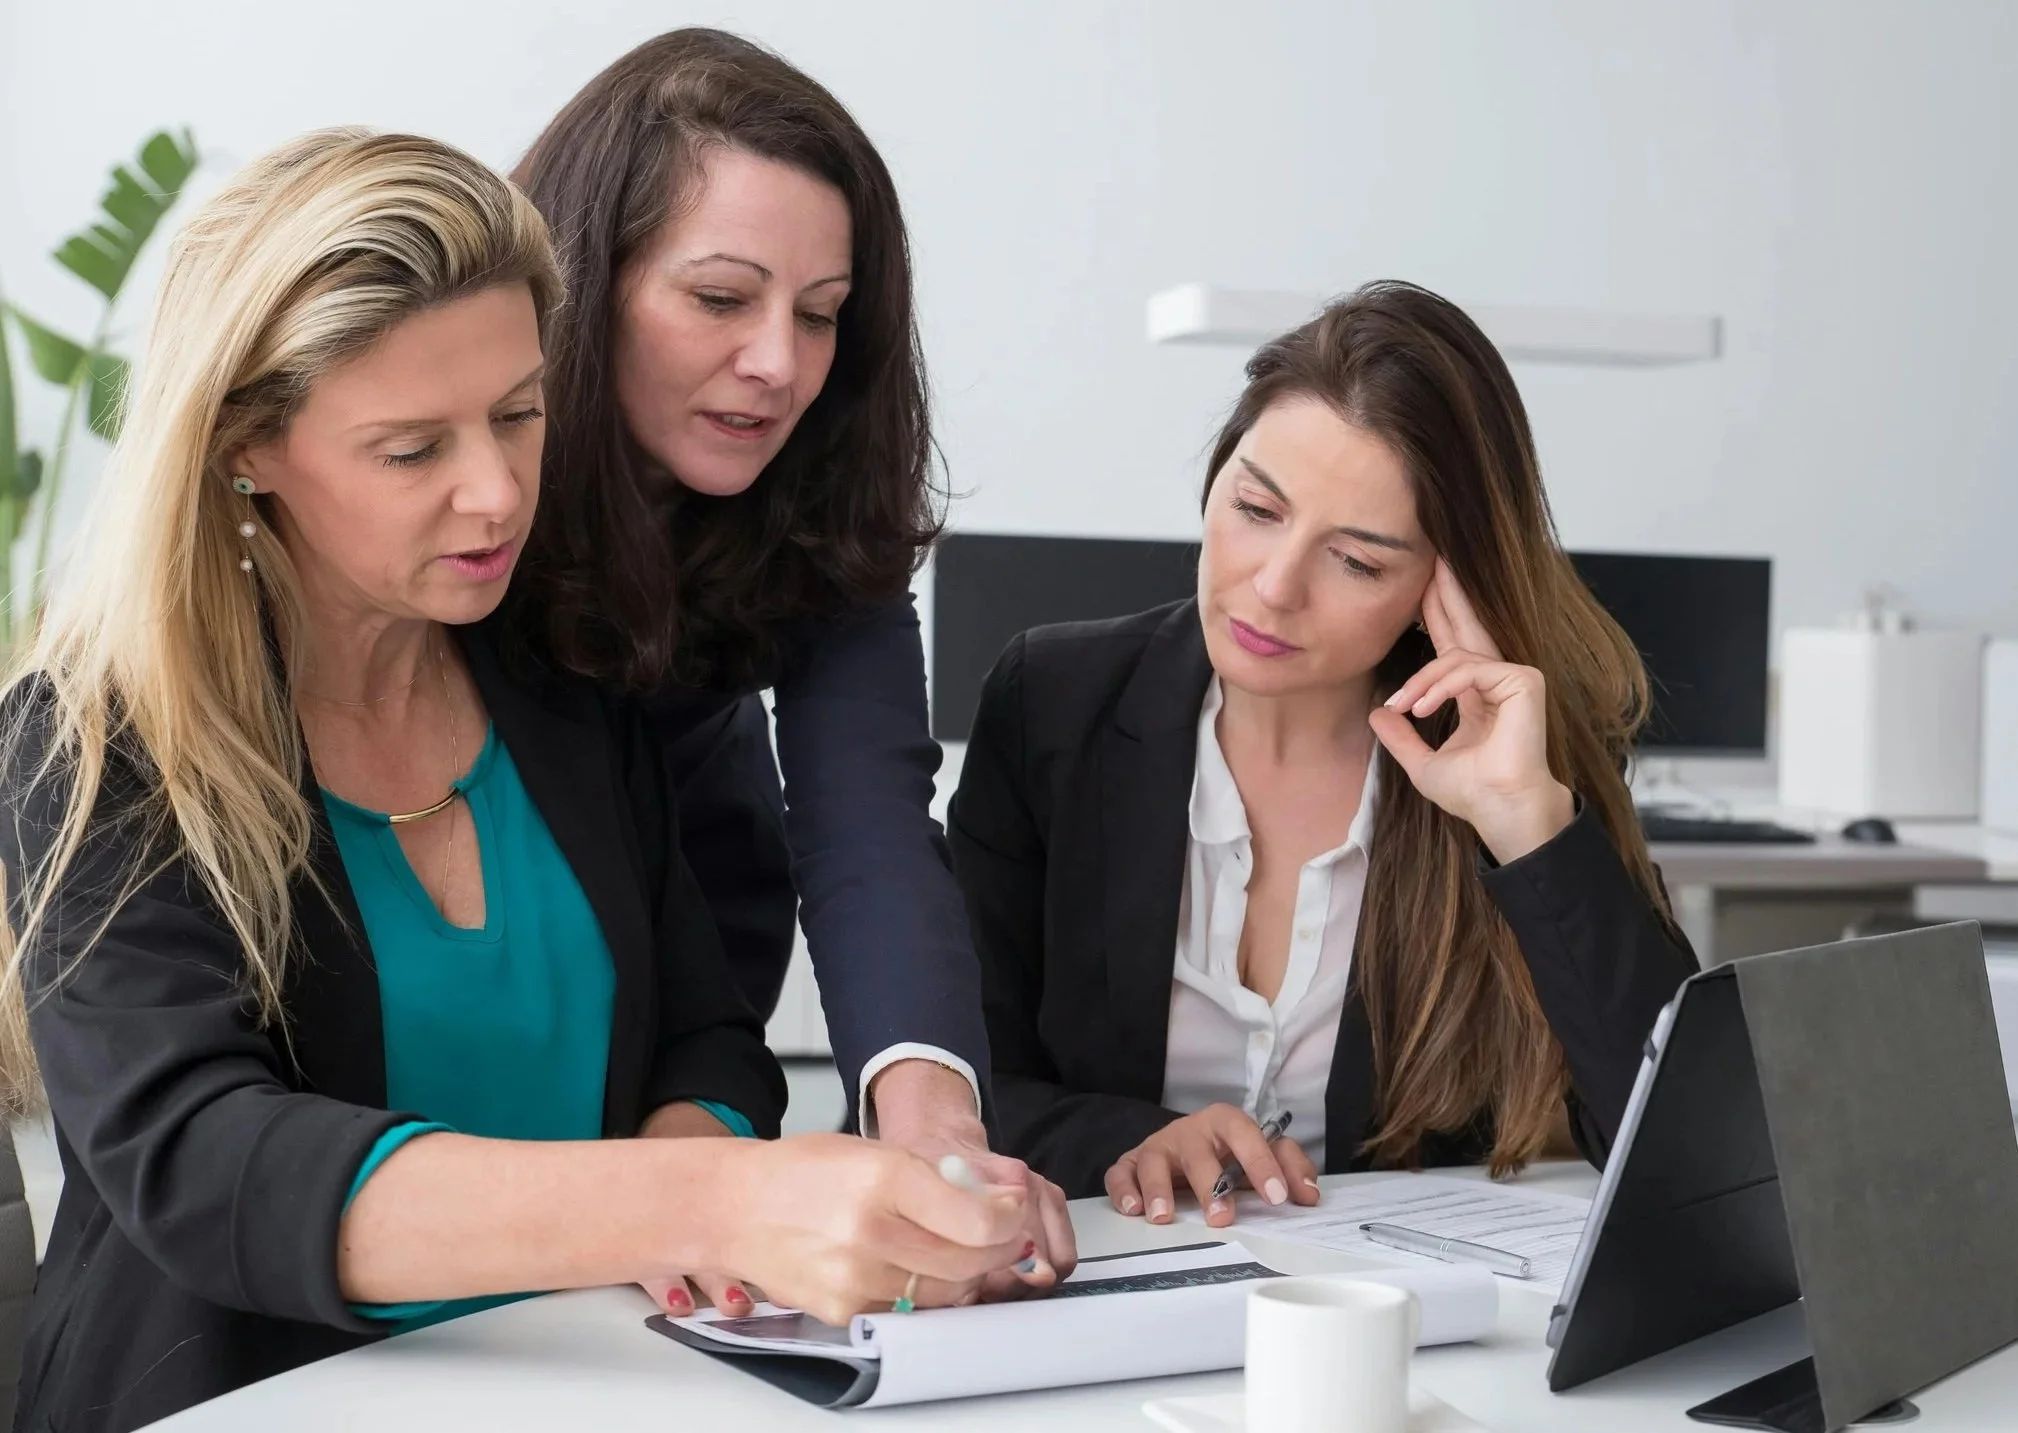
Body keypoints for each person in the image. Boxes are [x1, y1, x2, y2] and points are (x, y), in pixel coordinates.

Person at [0, 130, 1031, 1433]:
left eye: (517, 413)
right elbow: (202, 1162)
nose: (494, 492)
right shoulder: (94, 739)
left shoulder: (567, 691)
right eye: (410, 449)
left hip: (595, 1390)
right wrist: (703, 1203)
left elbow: (706, 1035)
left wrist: (696, 1153)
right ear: (244, 449)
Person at [509, 28, 1073, 1304]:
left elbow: (867, 823)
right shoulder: (474, 511)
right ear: (581, 285)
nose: (779, 364)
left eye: (820, 316)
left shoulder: (814, 498)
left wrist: (933, 1132)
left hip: (694, 1056)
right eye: (720, 298)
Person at [948, 282, 1699, 1222]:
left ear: (1445, 582)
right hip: (1112, 1279)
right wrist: (1124, 1140)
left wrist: (1527, 823)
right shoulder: (1053, 703)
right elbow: (952, 1082)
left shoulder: (1514, 752)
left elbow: (1685, 1147)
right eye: (1256, 508)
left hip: (1395, 1318)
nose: (1273, 586)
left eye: (1357, 561)